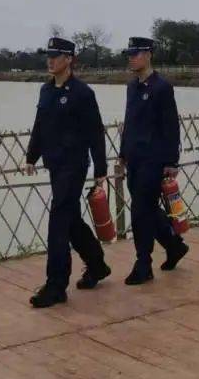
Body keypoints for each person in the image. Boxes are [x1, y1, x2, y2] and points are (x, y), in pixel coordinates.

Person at [24, 37, 111, 308]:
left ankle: (56, 285)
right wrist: (31, 156)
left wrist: (100, 168)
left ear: (69, 59)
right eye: (48, 56)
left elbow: (95, 132)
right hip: (55, 163)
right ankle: (97, 264)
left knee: (58, 221)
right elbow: (40, 124)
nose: (50, 60)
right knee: (70, 219)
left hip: (74, 166)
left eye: (56, 56)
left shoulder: (83, 93)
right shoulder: (46, 90)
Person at [118, 36, 189, 285]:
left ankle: (143, 263)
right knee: (146, 208)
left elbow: (171, 126)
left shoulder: (162, 87)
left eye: (136, 54)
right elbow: (129, 123)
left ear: (148, 54)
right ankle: (174, 245)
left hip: (154, 159)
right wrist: (122, 153)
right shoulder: (131, 87)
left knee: (140, 211)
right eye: (129, 54)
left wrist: (171, 161)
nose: (131, 58)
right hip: (134, 159)